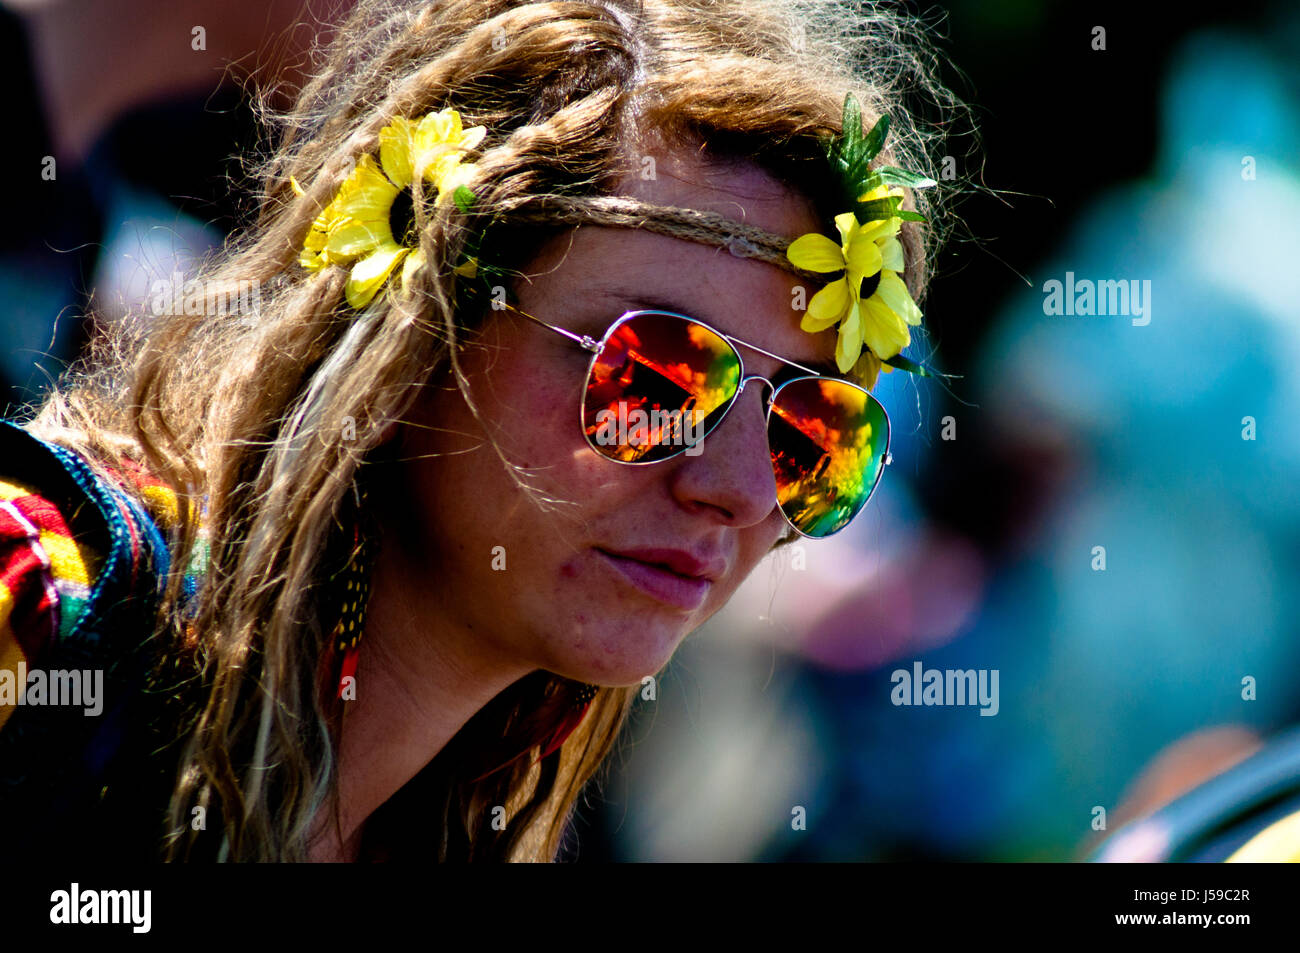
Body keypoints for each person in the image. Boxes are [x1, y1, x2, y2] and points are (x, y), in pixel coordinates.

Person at [0, 0, 952, 861]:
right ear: (414, 335)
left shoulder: (461, 828)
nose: (742, 492)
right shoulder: (40, 605)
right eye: (657, 372)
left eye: (815, 429)